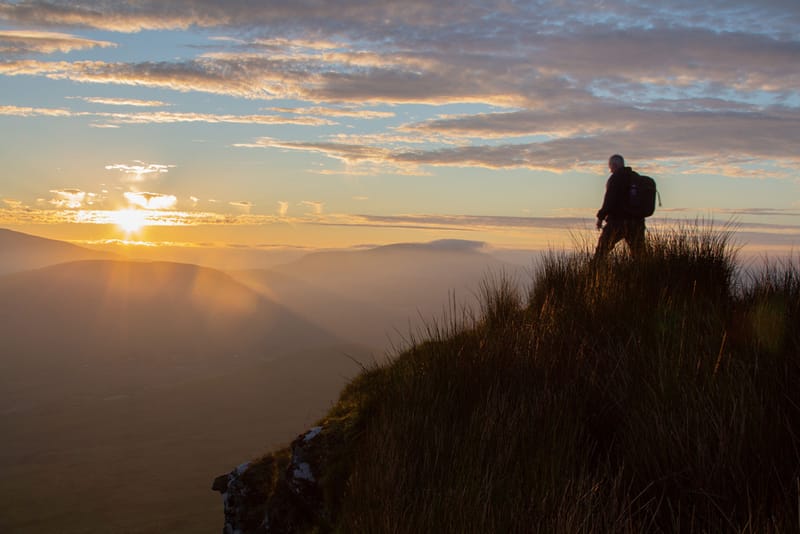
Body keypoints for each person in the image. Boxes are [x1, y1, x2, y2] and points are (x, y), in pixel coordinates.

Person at [594, 154, 646, 259]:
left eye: (610, 167)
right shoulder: (636, 177)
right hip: (637, 223)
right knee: (640, 255)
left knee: (602, 251)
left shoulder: (615, 178)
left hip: (617, 222)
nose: (610, 170)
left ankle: (594, 273)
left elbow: (609, 200)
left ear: (614, 165)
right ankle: (646, 273)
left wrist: (600, 218)